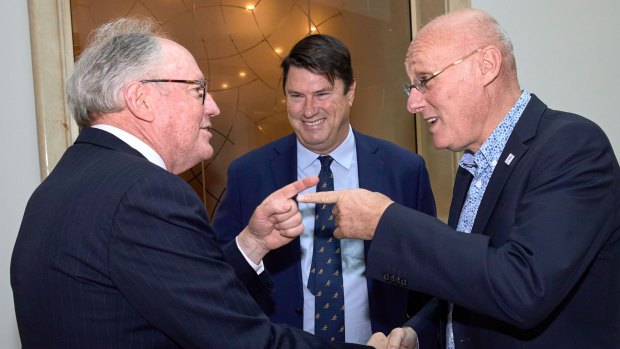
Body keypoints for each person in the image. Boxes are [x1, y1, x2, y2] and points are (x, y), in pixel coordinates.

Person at [9, 17, 388, 349]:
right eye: (197, 90)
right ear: (141, 99)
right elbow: (239, 338)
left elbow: (174, 293)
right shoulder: (146, 192)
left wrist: (251, 244)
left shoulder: (60, 183)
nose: (213, 107)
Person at [298, 8, 620, 349]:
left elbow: (523, 288)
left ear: (486, 66)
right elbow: (470, 279)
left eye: (424, 80)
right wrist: (418, 333)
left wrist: (385, 221)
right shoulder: (472, 165)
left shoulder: (572, 146)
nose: (413, 103)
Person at [213, 34, 436, 345]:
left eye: (321, 94)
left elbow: (430, 278)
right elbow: (216, 276)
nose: (308, 110)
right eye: (296, 95)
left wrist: (414, 333)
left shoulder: (404, 170)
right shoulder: (249, 173)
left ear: (350, 93)